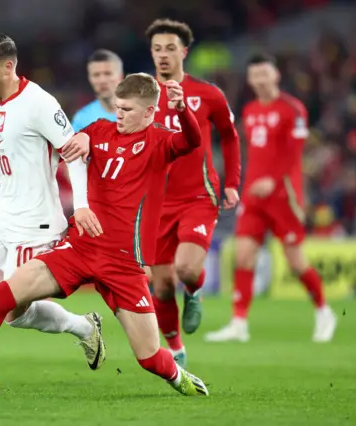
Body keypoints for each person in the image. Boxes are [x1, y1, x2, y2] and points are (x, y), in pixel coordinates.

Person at [0, 73, 210, 398]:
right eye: (117, 108)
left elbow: (191, 140)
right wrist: (85, 141)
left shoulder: (160, 140)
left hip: (123, 264)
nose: (119, 115)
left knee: (149, 358)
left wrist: (182, 111)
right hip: (78, 248)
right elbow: (67, 146)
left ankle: (178, 376)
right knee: (2, 297)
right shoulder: (99, 130)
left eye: (128, 110)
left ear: (149, 112)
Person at [0, 33, 106, 398]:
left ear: (8, 66)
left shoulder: (40, 103)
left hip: (36, 220)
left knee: (15, 314)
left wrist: (82, 204)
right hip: (1, 210)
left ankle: (83, 327)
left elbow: (74, 150)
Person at [205, 53, 337, 343]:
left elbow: (294, 152)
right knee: (243, 254)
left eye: (265, 73)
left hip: (284, 195)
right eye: (255, 75)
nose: (260, 80)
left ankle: (323, 311)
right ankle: (239, 323)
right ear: (250, 79)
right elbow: (254, 153)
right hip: (254, 195)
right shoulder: (250, 110)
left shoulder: (293, 109)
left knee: (295, 261)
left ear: (275, 75)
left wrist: (273, 179)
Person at [144, 19, 241, 366]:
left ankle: (195, 289)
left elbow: (229, 135)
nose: (163, 55)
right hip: (156, 203)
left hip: (199, 196)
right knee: (163, 286)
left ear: (184, 52)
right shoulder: (142, 96)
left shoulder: (207, 93)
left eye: (170, 48)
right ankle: (176, 348)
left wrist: (232, 182)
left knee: (185, 269)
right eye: (157, 49)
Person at [72, 49, 124, 131]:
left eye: (108, 73)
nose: (102, 80)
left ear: (120, 76)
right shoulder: (82, 119)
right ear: (89, 79)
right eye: (96, 75)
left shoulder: (138, 112)